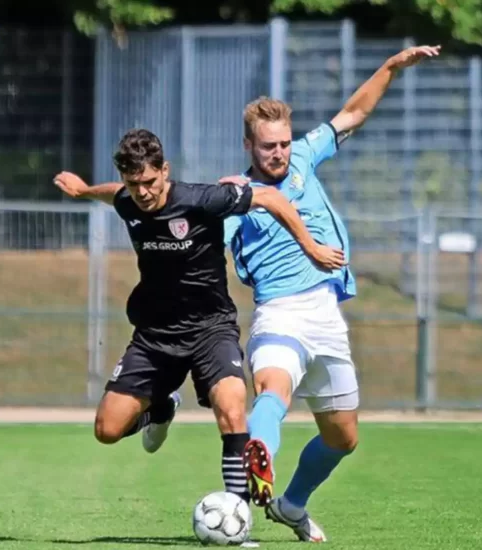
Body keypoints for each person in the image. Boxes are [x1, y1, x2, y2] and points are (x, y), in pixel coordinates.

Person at [52, 128, 345, 505]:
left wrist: (312, 248)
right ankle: (162, 407)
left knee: (232, 405)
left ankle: (237, 513)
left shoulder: (202, 199)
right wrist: (84, 191)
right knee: (107, 430)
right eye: (133, 182)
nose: (142, 192)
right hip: (155, 336)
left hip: (211, 329)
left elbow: (270, 196)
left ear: (165, 171)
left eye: (149, 181)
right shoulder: (130, 201)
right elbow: (115, 195)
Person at [220, 44, 441, 541]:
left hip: (327, 317)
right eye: (266, 146)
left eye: (282, 143)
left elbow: (355, 112)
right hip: (279, 314)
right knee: (272, 389)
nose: (277, 152)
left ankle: (291, 504)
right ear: (247, 146)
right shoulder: (234, 195)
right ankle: (259, 458)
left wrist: (390, 67)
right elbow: (192, 235)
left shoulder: (303, 156)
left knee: (343, 437)